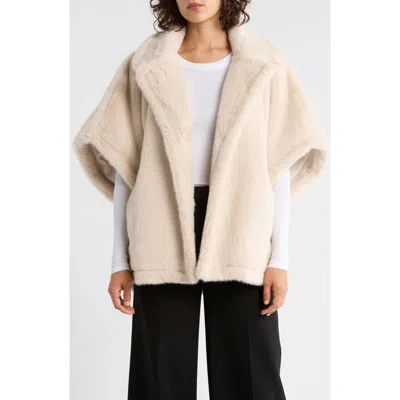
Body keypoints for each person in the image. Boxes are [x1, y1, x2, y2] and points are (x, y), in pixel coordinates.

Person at [73, 0, 328, 399]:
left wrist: (279, 260)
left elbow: (275, 167)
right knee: (159, 374)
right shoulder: (145, 64)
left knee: (251, 372)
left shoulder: (264, 63)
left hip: (241, 223)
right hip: (160, 223)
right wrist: (120, 261)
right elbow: (128, 168)